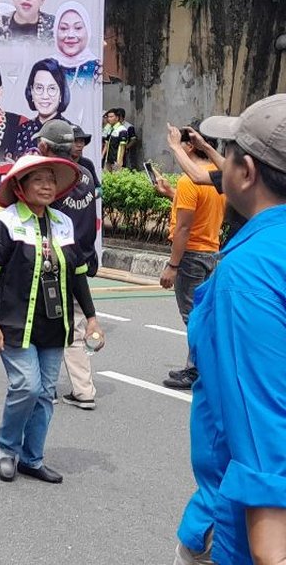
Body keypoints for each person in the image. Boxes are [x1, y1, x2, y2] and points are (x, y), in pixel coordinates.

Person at [173, 95, 286, 565]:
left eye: (231, 152)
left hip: (241, 525)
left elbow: (262, 422)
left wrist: (270, 553)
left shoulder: (249, 274)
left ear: (247, 172)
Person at [0, 155, 102, 484]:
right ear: (20, 187)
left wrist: (91, 317)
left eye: (51, 179)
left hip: (53, 323)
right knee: (26, 387)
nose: (47, 185)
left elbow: (77, 276)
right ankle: (7, 448)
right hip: (15, 324)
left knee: (46, 393)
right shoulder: (2, 223)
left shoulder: (63, 223)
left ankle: (32, 458)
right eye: (38, 180)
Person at [34, 121, 103, 410]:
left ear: (45, 147)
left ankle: (45, 388)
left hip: (51, 262)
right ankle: (84, 389)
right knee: (73, 325)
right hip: (81, 258)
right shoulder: (85, 175)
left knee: (42, 324)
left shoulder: (48, 182)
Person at [152, 125, 225, 391]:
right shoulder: (217, 175)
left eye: (180, 144)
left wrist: (172, 265)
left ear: (191, 146)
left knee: (194, 318)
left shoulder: (189, 180)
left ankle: (197, 370)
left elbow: (183, 228)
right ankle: (198, 367)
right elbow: (204, 211)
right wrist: (172, 194)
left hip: (191, 256)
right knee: (204, 314)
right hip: (212, 252)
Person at [14, 59, 72, 154]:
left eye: (52, 88)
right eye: (39, 88)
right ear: (31, 91)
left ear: (61, 93)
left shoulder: (71, 130)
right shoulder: (21, 131)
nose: (45, 96)